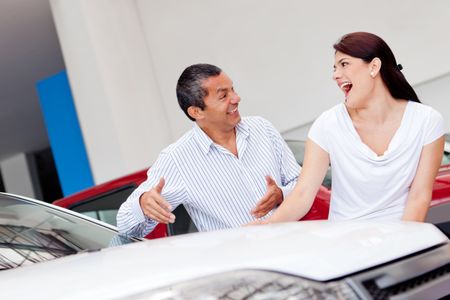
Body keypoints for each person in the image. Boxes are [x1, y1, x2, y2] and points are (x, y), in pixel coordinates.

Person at [255, 32, 444, 224]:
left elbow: (419, 197)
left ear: (374, 66)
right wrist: (263, 227)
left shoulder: (427, 121)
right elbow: (303, 195)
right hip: (348, 243)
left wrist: (402, 244)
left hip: (403, 239)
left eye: (344, 64)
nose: (335, 75)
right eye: (335, 68)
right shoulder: (328, 124)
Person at [117, 63, 299, 237]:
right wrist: (142, 203)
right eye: (223, 96)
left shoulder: (262, 128)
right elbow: (125, 225)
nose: (236, 98)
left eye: (233, 89)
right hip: (246, 265)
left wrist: (282, 194)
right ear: (197, 112)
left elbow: (300, 182)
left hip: (296, 247)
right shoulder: (177, 159)